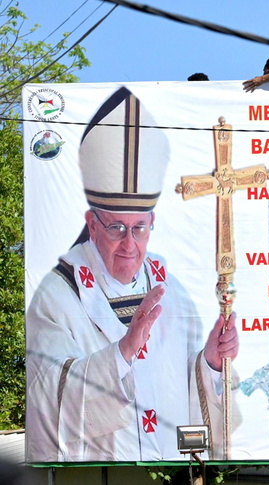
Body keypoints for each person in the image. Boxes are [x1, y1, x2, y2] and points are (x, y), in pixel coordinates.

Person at [26, 87, 240, 462]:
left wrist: (209, 362)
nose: (129, 244)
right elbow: (47, 401)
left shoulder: (171, 292)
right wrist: (122, 354)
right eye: (115, 228)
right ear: (92, 225)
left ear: (152, 223)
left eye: (139, 228)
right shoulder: (56, 298)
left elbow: (186, 398)